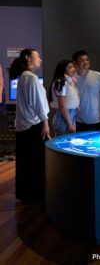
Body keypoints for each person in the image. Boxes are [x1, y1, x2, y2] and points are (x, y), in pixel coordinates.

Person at [9, 48, 50, 203]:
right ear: (28, 58)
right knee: (36, 162)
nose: (40, 59)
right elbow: (37, 103)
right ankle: (36, 194)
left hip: (24, 126)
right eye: (37, 56)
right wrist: (45, 122)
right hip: (33, 126)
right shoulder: (31, 78)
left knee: (26, 162)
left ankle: (26, 194)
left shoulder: (23, 77)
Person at [72, 50, 100, 131]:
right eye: (82, 60)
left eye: (87, 59)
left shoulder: (98, 75)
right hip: (78, 121)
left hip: (97, 120)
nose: (85, 62)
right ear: (75, 63)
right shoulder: (71, 78)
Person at [49, 60, 79, 136]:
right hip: (64, 116)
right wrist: (69, 123)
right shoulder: (60, 82)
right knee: (63, 144)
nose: (73, 69)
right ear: (63, 69)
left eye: (73, 67)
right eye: (70, 67)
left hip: (70, 115)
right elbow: (62, 105)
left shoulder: (69, 82)